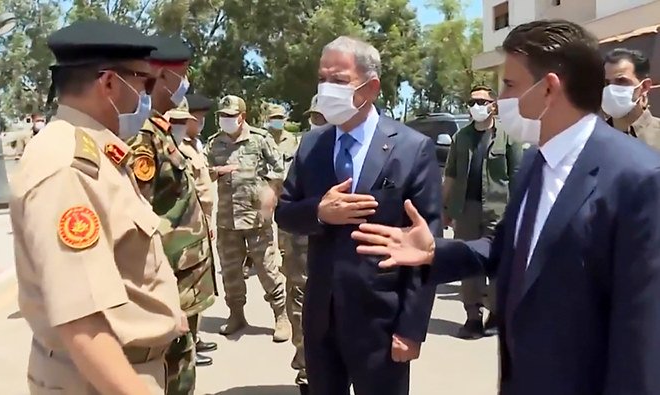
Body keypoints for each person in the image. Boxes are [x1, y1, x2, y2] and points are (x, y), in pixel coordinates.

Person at [352, 19, 660, 395]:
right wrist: (435, 251)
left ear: (548, 87)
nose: (499, 98)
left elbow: (641, 333)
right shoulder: (536, 162)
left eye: (510, 85)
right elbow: (511, 251)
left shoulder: (638, 177)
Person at [10, 20, 184, 394]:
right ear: (108, 83)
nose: (147, 96)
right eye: (144, 82)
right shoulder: (68, 168)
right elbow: (82, 324)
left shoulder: (99, 153)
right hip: (100, 380)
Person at [275, 36, 441, 395]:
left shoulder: (412, 148)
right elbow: (285, 213)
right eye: (322, 79)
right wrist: (318, 212)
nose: (326, 89)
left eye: (338, 80)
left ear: (371, 87)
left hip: (381, 321)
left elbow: (428, 245)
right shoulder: (312, 144)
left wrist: (411, 328)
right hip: (321, 320)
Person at [125, 34, 216, 395]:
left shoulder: (159, 129)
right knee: (168, 375)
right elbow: (138, 216)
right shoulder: (142, 136)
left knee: (180, 368)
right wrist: (158, 292)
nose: (186, 84)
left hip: (182, 278)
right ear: (163, 77)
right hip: (167, 283)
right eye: (183, 75)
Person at [204, 95, 290, 342]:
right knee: (231, 273)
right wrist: (216, 171)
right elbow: (202, 173)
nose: (226, 120)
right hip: (227, 220)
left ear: (242, 117)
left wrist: (270, 194)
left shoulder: (259, 140)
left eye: (231, 116)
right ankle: (236, 314)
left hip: (255, 219)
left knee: (267, 270)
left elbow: (278, 171)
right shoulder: (215, 143)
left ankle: (281, 316)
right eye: (223, 116)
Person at [443, 85, 522, 339]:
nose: (477, 105)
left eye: (482, 101)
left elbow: (518, 176)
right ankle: (473, 317)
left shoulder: (508, 136)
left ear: (493, 105)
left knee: (498, 265)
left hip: (500, 211)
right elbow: (451, 176)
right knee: (468, 263)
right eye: (472, 101)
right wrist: (444, 208)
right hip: (466, 210)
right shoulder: (461, 137)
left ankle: (496, 313)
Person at [163, 97, 217, 367]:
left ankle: (194, 338)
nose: (183, 126)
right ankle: (185, 346)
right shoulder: (169, 148)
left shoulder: (195, 145)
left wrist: (208, 221)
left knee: (198, 286)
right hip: (179, 230)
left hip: (199, 223)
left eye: (186, 121)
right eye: (178, 122)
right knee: (183, 291)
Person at [266, 103, 310, 393]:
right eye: (315, 118)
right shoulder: (307, 148)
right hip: (299, 238)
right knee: (300, 301)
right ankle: (306, 368)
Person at [603, 48, 660, 150]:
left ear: (644, 86)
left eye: (621, 81)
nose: (611, 89)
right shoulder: (592, 141)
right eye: (606, 83)